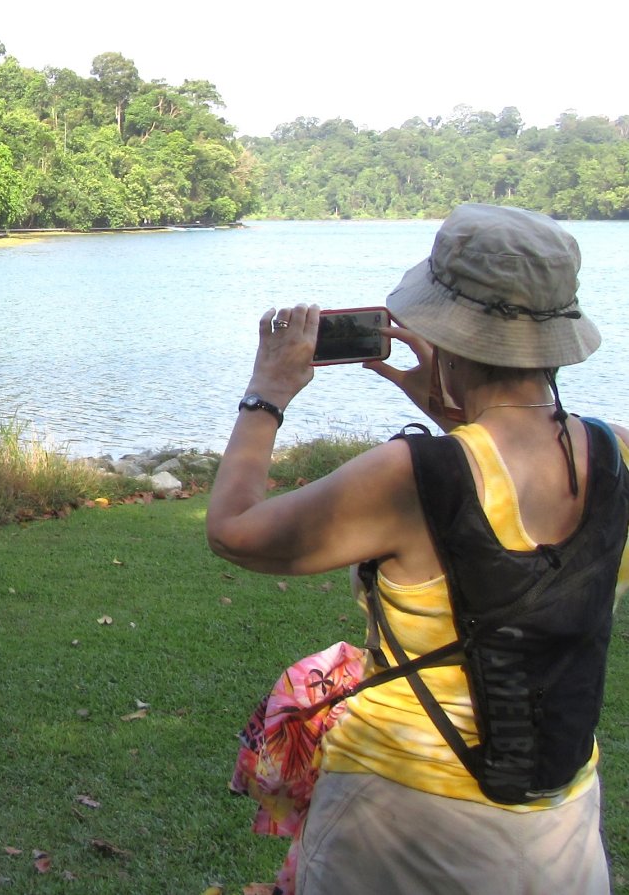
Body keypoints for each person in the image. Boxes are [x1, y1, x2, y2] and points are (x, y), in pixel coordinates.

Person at [207, 203, 628, 895]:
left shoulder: (410, 475)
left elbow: (234, 528)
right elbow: (506, 499)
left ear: (449, 335)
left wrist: (268, 391)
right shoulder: (615, 454)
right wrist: (461, 415)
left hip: (401, 824)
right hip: (560, 828)